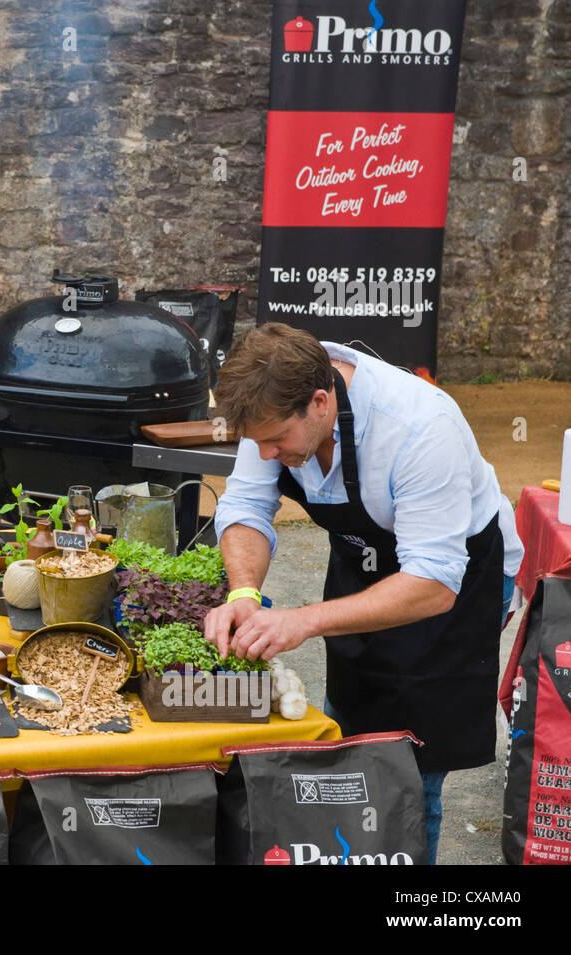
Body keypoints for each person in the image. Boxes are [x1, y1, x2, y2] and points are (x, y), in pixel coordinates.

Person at [204, 323, 522, 865]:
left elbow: (432, 581)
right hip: (367, 558)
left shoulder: (420, 426)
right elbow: (246, 509)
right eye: (257, 442)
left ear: (321, 402)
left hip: (451, 582)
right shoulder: (272, 410)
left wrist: (303, 620)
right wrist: (243, 594)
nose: (267, 452)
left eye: (276, 440)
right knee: (349, 736)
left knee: (408, 766)